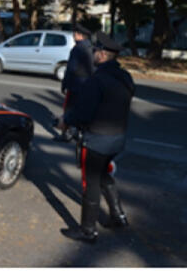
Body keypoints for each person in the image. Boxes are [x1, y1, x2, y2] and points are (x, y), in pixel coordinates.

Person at [55, 31, 134, 243]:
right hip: (117, 139)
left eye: (96, 51)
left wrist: (66, 120)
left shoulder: (97, 80)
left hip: (97, 140)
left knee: (91, 184)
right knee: (104, 175)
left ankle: (88, 231)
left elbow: (83, 113)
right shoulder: (125, 77)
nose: (94, 54)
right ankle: (118, 216)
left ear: (103, 55)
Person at [57, 23, 95, 141]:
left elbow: (71, 69)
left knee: (68, 110)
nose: (74, 35)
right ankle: (79, 133)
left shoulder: (77, 49)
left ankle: (65, 134)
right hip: (87, 85)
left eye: (75, 33)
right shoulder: (91, 47)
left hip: (75, 85)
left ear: (80, 35)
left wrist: (64, 84)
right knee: (81, 109)